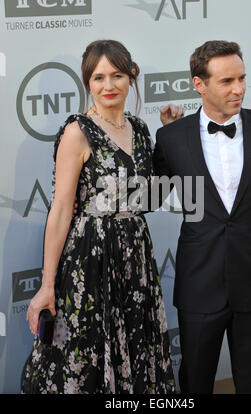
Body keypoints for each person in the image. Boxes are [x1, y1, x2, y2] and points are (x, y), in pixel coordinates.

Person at [21, 39, 180, 394]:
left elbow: (148, 199)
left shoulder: (139, 129)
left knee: (135, 347)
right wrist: (47, 285)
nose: (108, 86)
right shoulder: (77, 132)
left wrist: (168, 135)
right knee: (86, 352)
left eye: (117, 75)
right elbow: (61, 209)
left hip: (134, 256)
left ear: (132, 77)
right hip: (89, 258)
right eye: (98, 78)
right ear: (87, 83)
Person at [153, 40, 251, 394]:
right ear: (199, 84)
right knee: (195, 383)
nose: (239, 89)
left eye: (242, 78)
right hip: (199, 284)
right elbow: (150, 196)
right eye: (227, 81)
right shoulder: (171, 137)